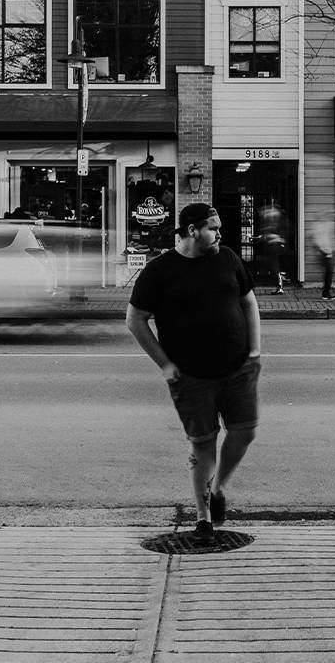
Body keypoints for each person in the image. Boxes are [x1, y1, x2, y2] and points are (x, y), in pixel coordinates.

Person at [126, 203, 262, 544]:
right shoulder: (160, 271)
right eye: (214, 228)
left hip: (238, 368)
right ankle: (203, 518)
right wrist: (165, 364)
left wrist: (256, 350)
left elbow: (249, 302)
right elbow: (135, 320)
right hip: (191, 377)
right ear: (191, 230)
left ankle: (218, 489)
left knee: (244, 432)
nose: (220, 234)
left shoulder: (228, 258)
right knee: (203, 446)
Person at [257, 202, 288, 294]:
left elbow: (268, 231)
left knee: (273, 264)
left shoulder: (271, 219)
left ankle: (280, 284)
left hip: (273, 244)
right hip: (279, 243)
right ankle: (282, 278)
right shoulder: (279, 219)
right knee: (274, 264)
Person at [311, 217, 335, 300]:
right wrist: (325, 251)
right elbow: (318, 242)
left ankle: (326, 293)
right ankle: (325, 293)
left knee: (328, 273)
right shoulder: (323, 231)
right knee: (329, 273)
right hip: (324, 253)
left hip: (326, 253)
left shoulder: (326, 231)